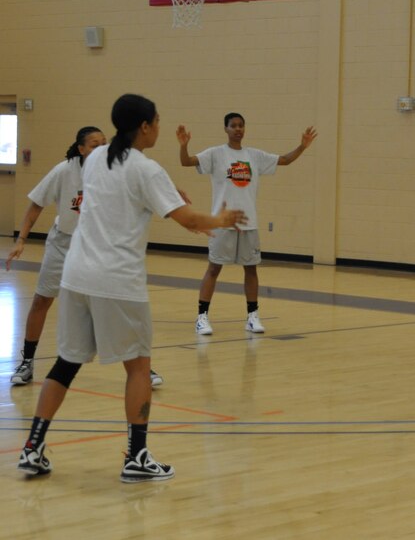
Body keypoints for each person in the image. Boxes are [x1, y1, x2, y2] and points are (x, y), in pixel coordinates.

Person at [17, 94, 246, 482]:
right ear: (144, 126)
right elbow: (183, 215)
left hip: (76, 277)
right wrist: (218, 219)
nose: (158, 126)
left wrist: (190, 216)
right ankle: (137, 456)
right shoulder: (145, 168)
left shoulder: (94, 159)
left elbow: (167, 209)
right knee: (139, 366)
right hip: (117, 280)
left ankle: (32, 447)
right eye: (157, 121)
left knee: (65, 363)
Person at [5, 128, 165, 389]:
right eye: (94, 145)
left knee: (119, 305)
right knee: (42, 300)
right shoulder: (64, 171)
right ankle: (27, 362)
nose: (100, 149)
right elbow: (36, 203)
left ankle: (141, 367)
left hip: (99, 246)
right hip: (63, 242)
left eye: (104, 144)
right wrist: (21, 240)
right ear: (81, 149)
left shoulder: (115, 169)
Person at [179, 113, 317, 335]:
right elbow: (186, 162)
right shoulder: (215, 154)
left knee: (251, 269)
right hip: (222, 223)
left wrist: (302, 146)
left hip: (249, 223)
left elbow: (285, 159)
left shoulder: (254, 155)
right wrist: (184, 146)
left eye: (241, 125)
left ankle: (252, 317)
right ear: (225, 129)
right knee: (214, 268)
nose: (237, 129)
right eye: (233, 125)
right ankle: (202, 317)